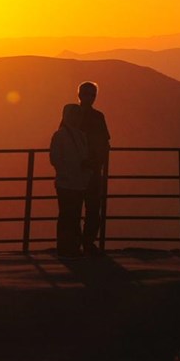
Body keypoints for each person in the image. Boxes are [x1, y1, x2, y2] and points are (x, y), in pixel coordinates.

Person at [50, 103, 92, 257]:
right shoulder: (61, 135)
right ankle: (67, 246)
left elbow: (55, 158)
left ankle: (70, 246)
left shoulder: (79, 135)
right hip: (69, 182)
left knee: (71, 215)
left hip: (75, 181)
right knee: (69, 215)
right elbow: (55, 158)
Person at [77, 81, 111, 254]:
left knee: (80, 208)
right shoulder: (98, 117)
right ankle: (87, 243)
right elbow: (105, 142)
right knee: (90, 208)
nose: (90, 98)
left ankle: (79, 244)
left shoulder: (71, 116)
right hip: (90, 170)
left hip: (79, 170)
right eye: (87, 94)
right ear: (80, 95)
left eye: (92, 95)